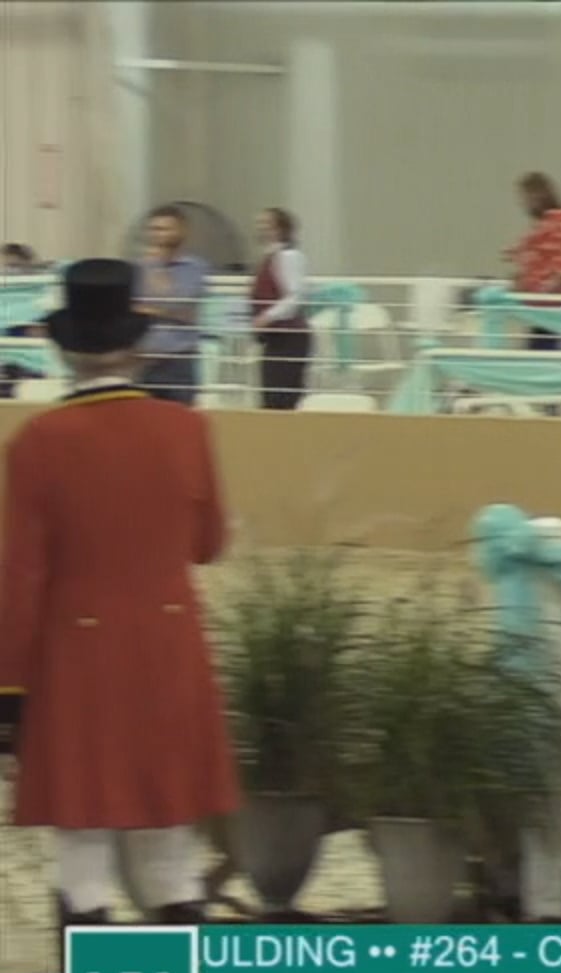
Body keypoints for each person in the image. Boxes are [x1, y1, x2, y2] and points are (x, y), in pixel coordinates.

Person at [0, 259, 239, 934]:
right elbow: (208, 544)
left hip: (77, 662)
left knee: (84, 849)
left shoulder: (37, 444)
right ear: (135, 346)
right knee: (170, 846)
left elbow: (21, 579)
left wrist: (8, 692)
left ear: (64, 347)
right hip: (169, 650)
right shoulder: (187, 430)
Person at [504, 172, 561, 351]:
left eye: (525, 197)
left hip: (555, 305)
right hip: (543, 306)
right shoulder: (545, 225)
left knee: (542, 356)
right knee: (540, 354)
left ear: (538, 195)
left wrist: (548, 288)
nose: (522, 203)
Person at [135, 205, 209, 405]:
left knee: (181, 422)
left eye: (164, 229)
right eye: (153, 229)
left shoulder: (194, 267)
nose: (156, 234)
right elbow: (129, 309)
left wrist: (156, 268)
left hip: (179, 359)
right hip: (144, 360)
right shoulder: (136, 268)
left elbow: (182, 306)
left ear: (181, 231)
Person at [251, 207, 312, 411]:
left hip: (290, 336)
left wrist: (267, 316)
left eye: (267, 224)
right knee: (271, 394)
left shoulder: (288, 256)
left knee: (283, 396)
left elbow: (295, 295)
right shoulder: (271, 257)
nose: (261, 229)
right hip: (276, 336)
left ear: (280, 229)